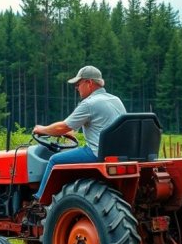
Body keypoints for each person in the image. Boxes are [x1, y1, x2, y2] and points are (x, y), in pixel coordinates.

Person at [32, 65, 126, 200]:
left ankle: (39, 202)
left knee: (54, 160)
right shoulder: (115, 99)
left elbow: (62, 127)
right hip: (117, 154)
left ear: (89, 83)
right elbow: (100, 126)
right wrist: (69, 134)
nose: (76, 88)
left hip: (96, 153)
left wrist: (41, 129)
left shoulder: (89, 103)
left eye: (78, 83)